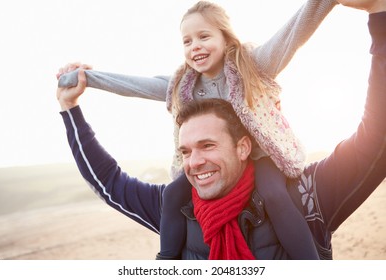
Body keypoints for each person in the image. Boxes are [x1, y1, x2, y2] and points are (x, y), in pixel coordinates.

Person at [56, 0, 386, 259]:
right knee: (172, 194)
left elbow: (295, 31)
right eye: (186, 40)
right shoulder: (182, 85)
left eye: (204, 36)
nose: (194, 46)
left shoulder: (253, 66)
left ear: (225, 37)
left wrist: (338, 3)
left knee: (274, 194)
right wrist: (87, 81)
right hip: (219, 176)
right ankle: (167, 261)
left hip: (264, 158)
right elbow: (136, 86)